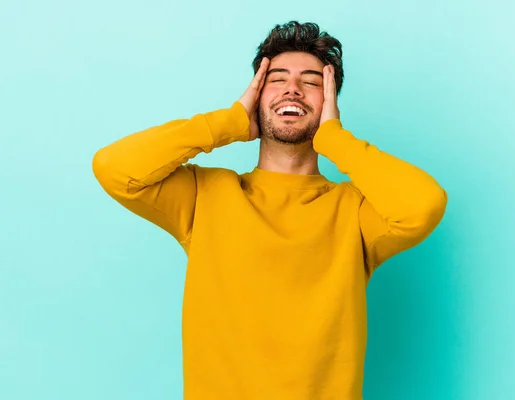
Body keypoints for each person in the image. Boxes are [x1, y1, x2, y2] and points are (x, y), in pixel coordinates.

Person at [92, 21, 448, 400]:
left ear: (329, 102)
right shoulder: (205, 194)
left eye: (311, 81)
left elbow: (423, 205)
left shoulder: (355, 211)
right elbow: (115, 169)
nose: (292, 88)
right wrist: (226, 123)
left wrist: (335, 139)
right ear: (257, 96)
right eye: (276, 79)